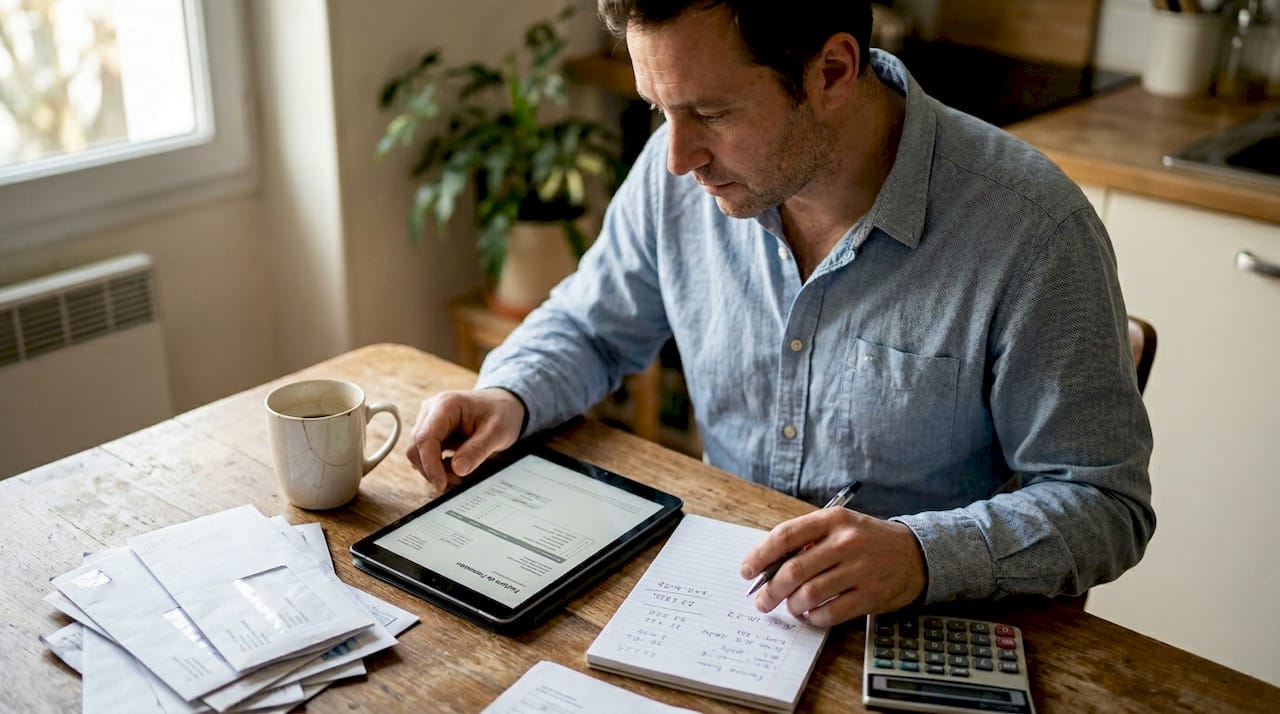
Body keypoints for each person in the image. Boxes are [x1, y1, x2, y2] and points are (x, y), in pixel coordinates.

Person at [406, 0, 1156, 627]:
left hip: (913, 630)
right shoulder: (680, 178)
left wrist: (920, 556)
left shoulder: (1032, 230)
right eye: (660, 110)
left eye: (710, 112)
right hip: (719, 603)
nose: (677, 157)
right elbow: (589, 326)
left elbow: (1103, 503)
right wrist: (507, 393)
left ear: (831, 71)